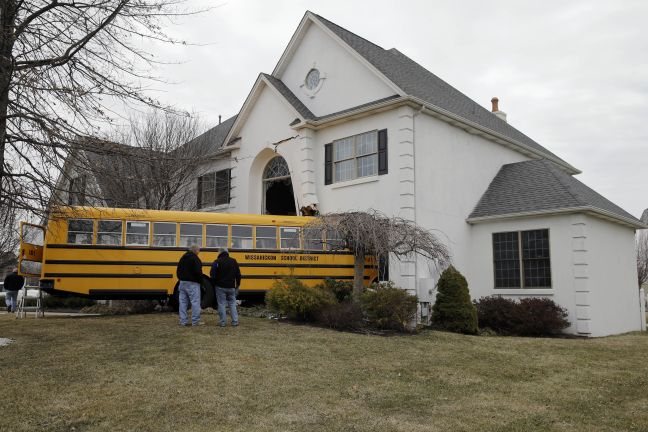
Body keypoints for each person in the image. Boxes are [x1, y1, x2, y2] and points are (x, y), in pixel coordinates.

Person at [210, 248, 241, 327]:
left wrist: (214, 284)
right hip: (231, 287)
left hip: (220, 287)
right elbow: (238, 274)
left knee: (221, 304)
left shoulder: (217, 262)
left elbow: (212, 274)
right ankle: (235, 321)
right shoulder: (234, 261)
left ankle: (222, 322)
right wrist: (237, 285)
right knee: (232, 304)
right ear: (227, 253)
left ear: (219, 253)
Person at [176, 244, 204, 327]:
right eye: (199, 250)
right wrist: (201, 282)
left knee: (183, 302)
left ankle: (183, 321)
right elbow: (198, 272)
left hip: (182, 282)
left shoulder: (183, 258)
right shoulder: (195, 259)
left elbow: (178, 270)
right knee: (195, 302)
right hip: (193, 283)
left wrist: (181, 278)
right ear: (195, 250)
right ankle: (195, 321)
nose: (199, 252)